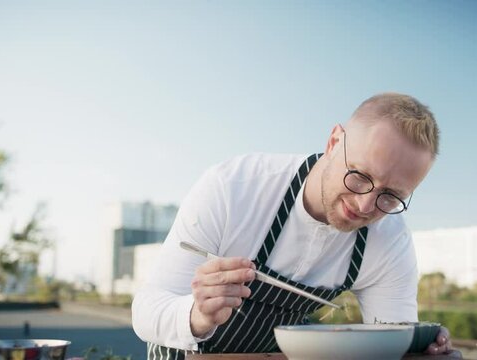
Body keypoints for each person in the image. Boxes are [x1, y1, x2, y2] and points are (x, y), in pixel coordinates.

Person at [132, 93, 456, 359]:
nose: (365, 206)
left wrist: (423, 347)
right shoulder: (233, 188)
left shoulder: (389, 239)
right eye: (360, 176)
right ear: (334, 142)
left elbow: (393, 342)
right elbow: (145, 312)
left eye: (391, 196)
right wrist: (198, 315)